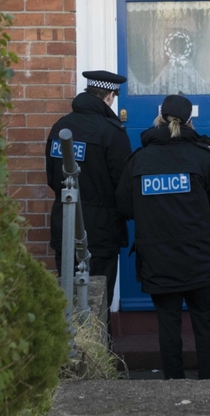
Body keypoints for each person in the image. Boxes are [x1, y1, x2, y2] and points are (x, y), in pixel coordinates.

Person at [116, 94, 210, 380]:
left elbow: (125, 207)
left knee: (168, 326)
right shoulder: (202, 157)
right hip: (200, 259)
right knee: (206, 325)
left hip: (158, 262)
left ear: (159, 119)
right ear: (190, 121)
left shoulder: (139, 160)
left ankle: (173, 386)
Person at [45, 70, 131, 307]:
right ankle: (98, 345)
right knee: (98, 303)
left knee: (67, 299)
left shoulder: (60, 127)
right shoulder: (112, 132)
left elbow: (53, 179)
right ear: (110, 96)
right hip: (101, 232)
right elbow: (123, 185)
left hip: (64, 226)